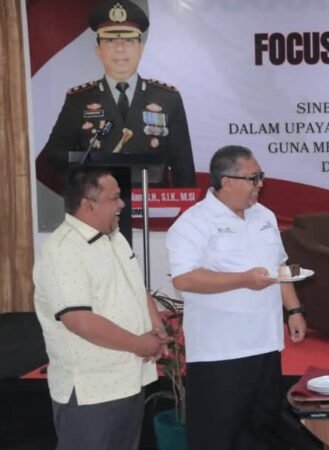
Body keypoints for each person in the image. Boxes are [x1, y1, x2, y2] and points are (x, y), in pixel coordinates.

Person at [166, 145, 307, 449]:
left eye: (260, 176)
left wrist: (294, 309)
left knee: (261, 429)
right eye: (253, 178)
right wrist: (242, 280)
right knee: (219, 435)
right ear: (227, 181)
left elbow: (280, 267)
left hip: (266, 344)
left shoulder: (264, 216)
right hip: (220, 352)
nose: (260, 184)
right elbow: (184, 278)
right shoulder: (193, 222)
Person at [32, 165, 169, 450]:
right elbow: (79, 320)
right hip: (91, 393)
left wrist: (155, 327)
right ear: (87, 204)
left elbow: (137, 288)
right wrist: (139, 344)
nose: (122, 204)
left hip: (128, 381)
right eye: (114, 198)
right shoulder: (62, 249)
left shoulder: (114, 237)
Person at [38, 0, 196, 189]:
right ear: (98, 50)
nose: (120, 49)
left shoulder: (168, 99)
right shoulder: (79, 100)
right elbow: (54, 156)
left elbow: (183, 166)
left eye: (129, 41)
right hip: (98, 201)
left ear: (141, 49)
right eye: (110, 41)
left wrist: (185, 207)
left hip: (151, 204)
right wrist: (91, 166)